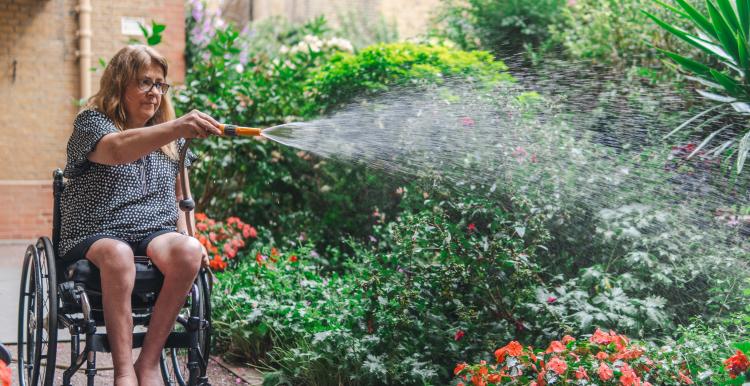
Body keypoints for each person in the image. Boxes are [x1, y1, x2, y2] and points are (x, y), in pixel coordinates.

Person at [59, 45, 222, 386]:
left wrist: (190, 236)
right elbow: (117, 149)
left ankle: (147, 363)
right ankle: (122, 372)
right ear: (120, 83)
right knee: (118, 254)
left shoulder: (171, 140)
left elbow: (182, 197)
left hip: (153, 230)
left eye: (160, 84)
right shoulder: (92, 123)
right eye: (145, 82)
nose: (155, 92)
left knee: (188, 252)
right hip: (97, 228)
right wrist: (177, 127)